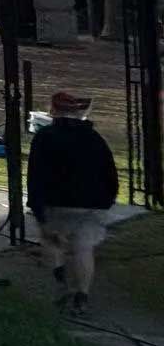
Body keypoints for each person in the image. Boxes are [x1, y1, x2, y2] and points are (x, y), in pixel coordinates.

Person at [27, 91, 119, 316]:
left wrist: (37, 207)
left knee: (52, 242)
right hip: (92, 204)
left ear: (53, 111)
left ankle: (61, 284)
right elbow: (110, 174)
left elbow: (36, 175)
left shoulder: (45, 137)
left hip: (57, 203)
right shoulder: (95, 139)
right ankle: (81, 296)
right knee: (84, 249)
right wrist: (107, 200)